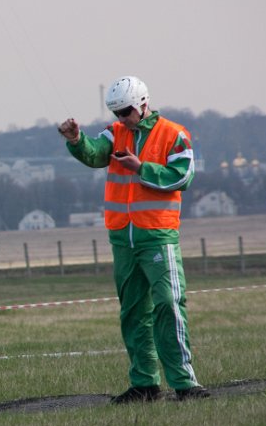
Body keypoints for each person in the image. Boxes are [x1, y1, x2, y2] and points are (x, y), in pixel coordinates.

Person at [56, 76, 209, 403]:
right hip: (122, 238)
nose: (121, 119)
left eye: (125, 112)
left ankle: (185, 382)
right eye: (116, 114)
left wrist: (142, 168)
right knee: (133, 311)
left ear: (142, 103)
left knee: (168, 303)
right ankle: (145, 383)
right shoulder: (115, 133)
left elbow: (182, 176)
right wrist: (77, 140)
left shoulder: (174, 134)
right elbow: (96, 154)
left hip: (157, 235)